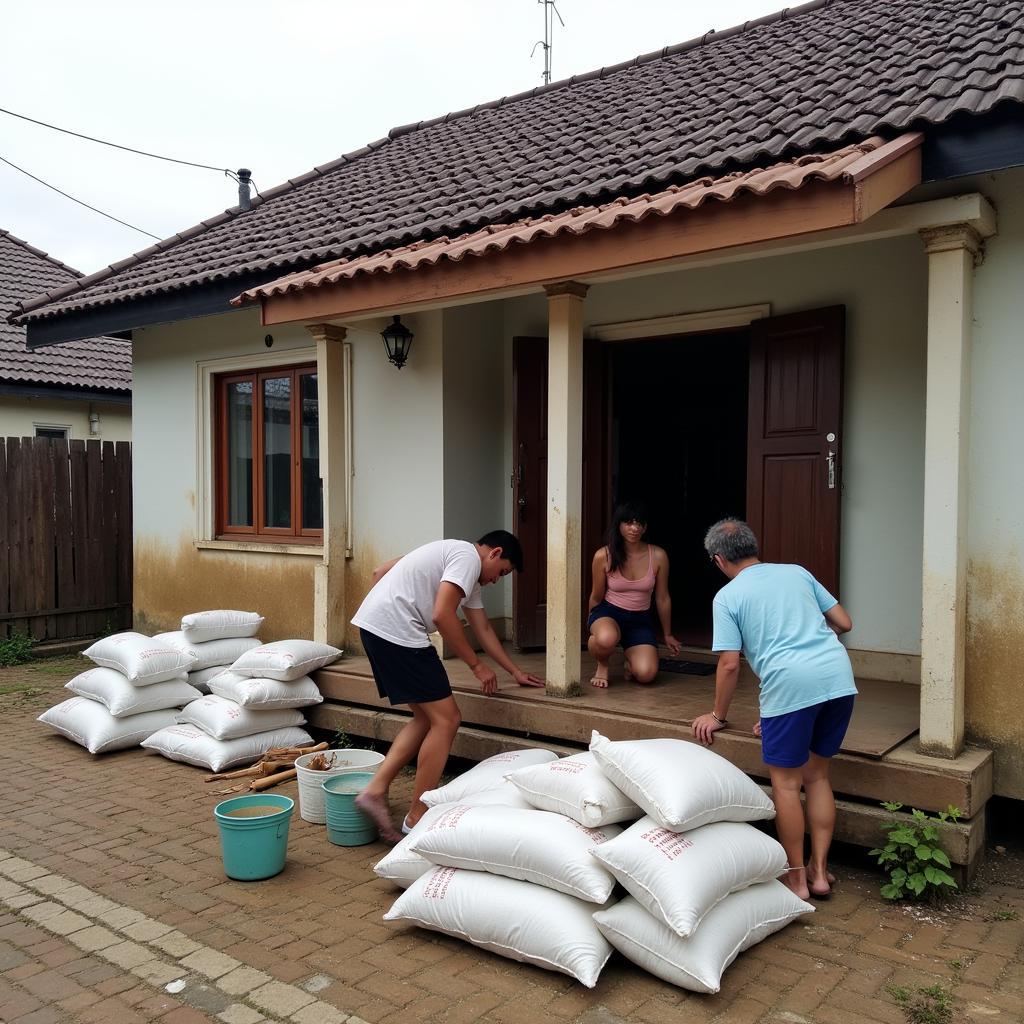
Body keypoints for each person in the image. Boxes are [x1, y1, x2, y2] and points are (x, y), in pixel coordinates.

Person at [692, 518, 856, 901]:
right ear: (753, 546)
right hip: (837, 678)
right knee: (817, 777)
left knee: (786, 784)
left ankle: (796, 880)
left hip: (790, 686)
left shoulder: (728, 597)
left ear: (718, 559)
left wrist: (717, 716)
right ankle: (819, 872)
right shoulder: (797, 572)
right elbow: (844, 623)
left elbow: (730, 664)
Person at [350, 530, 544, 842]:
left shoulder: (455, 559)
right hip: (398, 634)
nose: (497, 580)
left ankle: (374, 790)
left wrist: (514, 672)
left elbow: (480, 627)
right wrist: (476, 666)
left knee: (427, 717)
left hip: (377, 629)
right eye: (503, 572)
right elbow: (442, 615)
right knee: (448, 719)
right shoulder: (466, 558)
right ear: (494, 553)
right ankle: (418, 816)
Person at [587, 500, 682, 688]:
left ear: (645, 527)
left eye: (639, 523)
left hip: (639, 619)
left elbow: (662, 597)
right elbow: (596, 596)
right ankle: (602, 664)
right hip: (609, 613)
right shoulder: (603, 556)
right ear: (619, 525)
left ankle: (630, 663)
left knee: (647, 674)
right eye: (628, 522)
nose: (634, 528)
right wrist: (591, 623)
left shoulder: (658, 555)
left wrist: (668, 634)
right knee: (606, 638)